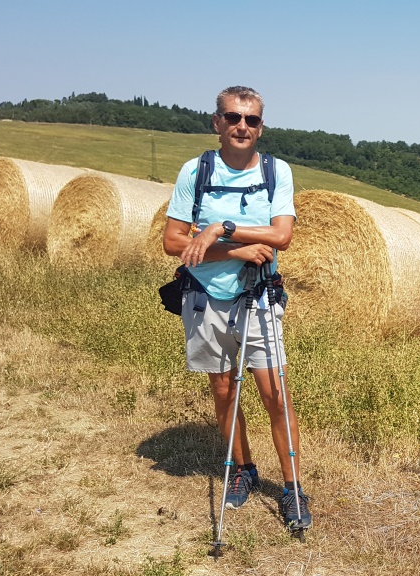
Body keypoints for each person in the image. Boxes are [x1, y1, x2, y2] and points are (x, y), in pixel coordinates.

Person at [162, 86, 311, 531]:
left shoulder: (275, 171)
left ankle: (292, 488)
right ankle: (243, 469)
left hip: (259, 297)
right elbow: (173, 242)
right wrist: (236, 251)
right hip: (205, 298)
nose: (242, 126)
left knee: (275, 395)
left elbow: (281, 236)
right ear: (217, 122)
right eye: (232, 117)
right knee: (225, 391)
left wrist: (219, 229)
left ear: (261, 126)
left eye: (251, 120)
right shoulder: (196, 170)